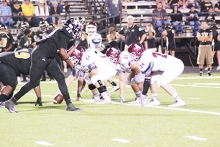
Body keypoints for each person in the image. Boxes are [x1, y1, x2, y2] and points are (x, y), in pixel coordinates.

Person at [4, 18, 82, 113]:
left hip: (48, 56)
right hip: (41, 55)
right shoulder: (65, 33)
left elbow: (56, 49)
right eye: (76, 29)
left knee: (60, 78)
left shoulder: (62, 31)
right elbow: (62, 52)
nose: (77, 31)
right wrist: (73, 66)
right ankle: (11, 102)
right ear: (72, 28)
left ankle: (69, 105)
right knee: (33, 82)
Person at [128, 43, 186, 107]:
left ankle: (179, 100)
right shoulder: (146, 53)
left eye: (132, 54)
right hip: (172, 64)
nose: (131, 56)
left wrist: (143, 95)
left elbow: (147, 79)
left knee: (162, 82)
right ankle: (155, 99)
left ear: (138, 52)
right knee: (153, 79)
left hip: (175, 65)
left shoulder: (144, 60)